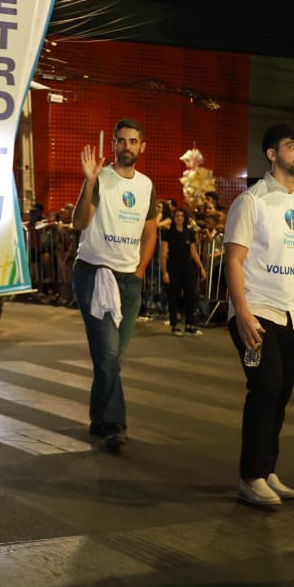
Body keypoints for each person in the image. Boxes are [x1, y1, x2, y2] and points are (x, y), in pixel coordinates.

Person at [224, 123, 294, 507]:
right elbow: (234, 260)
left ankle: (268, 469)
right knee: (265, 388)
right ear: (271, 154)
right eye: (292, 146)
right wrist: (242, 313)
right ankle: (250, 476)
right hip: (258, 313)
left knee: (281, 394)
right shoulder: (251, 202)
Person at [71, 118, 160, 452]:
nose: (126, 146)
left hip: (128, 280)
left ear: (142, 147)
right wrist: (89, 181)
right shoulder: (100, 179)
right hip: (95, 274)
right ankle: (115, 425)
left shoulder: (146, 185)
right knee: (108, 355)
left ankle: (99, 417)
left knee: (111, 358)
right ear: (113, 145)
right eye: (121, 141)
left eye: (133, 141)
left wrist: (139, 270)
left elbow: (150, 232)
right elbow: (79, 222)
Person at [161, 205, 205, 335]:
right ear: (173, 218)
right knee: (173, 297)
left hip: (188, 268)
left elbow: (193, 252)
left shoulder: (189, 233)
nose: (179, 218)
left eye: (181, 216)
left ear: (185, 218)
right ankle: (174, 325)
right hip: (173, 268)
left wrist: (201, 267)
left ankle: (189, 325)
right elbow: (163, 253)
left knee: (191, 296)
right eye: (177, 216)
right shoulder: (167, 233)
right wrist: (164, 272)